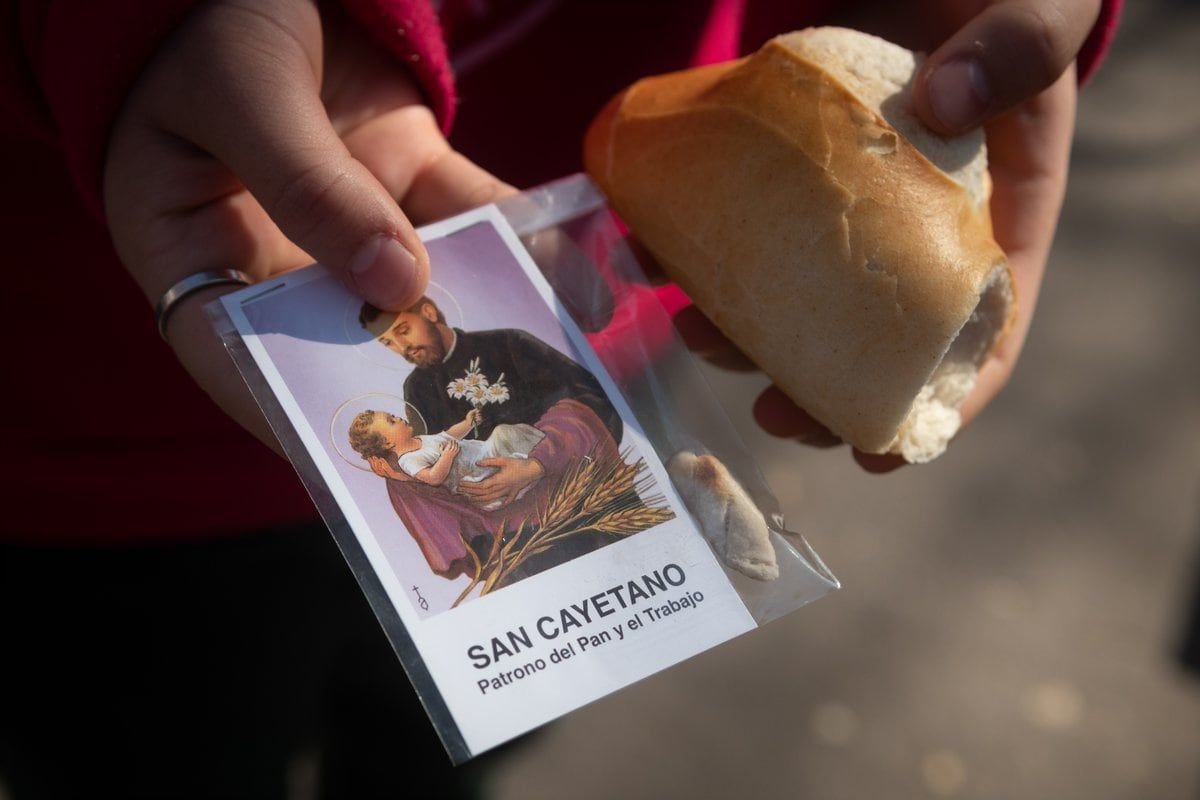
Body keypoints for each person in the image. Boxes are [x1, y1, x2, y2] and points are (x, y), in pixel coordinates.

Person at [0, 0, 1123, 796]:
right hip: (112, 443)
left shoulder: (511, 358)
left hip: (606, 300)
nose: (410, 335)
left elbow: (542, 423)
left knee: (449, 753)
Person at [360, 295, 623, 510]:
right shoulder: (417, 389)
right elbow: (429, 462)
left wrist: (537, 464)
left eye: (403, 331)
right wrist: (395, 471)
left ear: (428, 312)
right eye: (388, 343)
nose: (402, 348)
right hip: (511, 519)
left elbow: (594, 402)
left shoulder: (508, 343)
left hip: (581, 489)